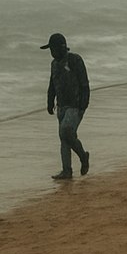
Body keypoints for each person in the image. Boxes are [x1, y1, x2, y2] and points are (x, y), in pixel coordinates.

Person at [43, 32, 90, 180]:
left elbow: (84, 84)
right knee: (64, 139)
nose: (52, 52)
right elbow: (52, 85)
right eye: (50, 50)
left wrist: (83, 105)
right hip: (61, 106)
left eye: (53, 49)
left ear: (62, 47)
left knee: (66, 131)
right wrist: (50, 102)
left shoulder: (75, 60)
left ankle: (83, 156)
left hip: (75, 106)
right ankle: (66, 171)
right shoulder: (54, 64)